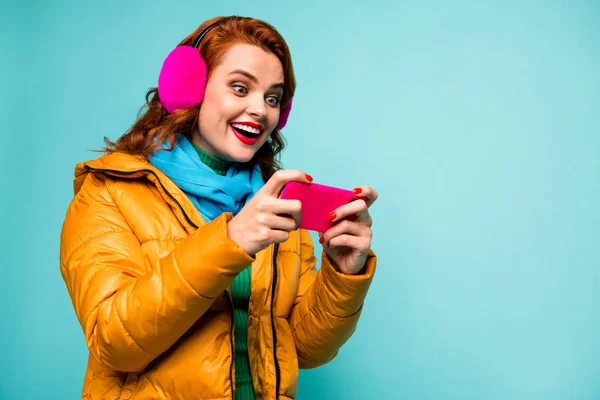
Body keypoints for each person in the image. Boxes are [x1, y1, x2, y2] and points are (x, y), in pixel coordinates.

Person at [59, 15, 378, 400]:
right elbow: (115, 342)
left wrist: (343, 274)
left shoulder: (274, 203)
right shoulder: (109, 192)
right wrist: (229, 241)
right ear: (190, 88)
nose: (260, 110)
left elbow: (302, 349)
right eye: (240, 88)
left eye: (272, 98)